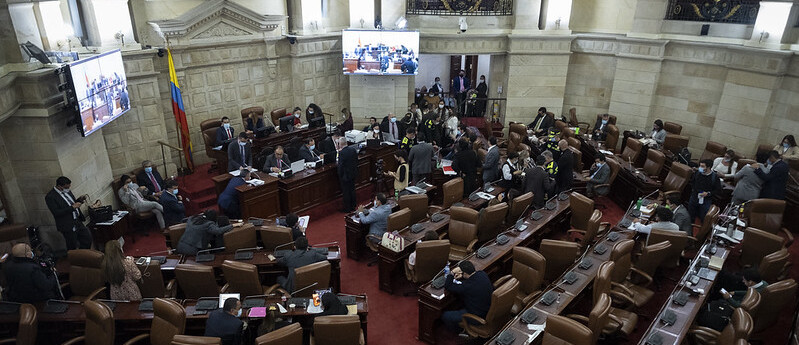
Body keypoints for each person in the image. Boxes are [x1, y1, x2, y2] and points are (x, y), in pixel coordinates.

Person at [441, 261, 493, 333]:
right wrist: (462, 276)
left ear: (465, 273)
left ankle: (460, 331)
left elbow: (448, 286)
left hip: (477, 316)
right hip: (487, 308)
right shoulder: (482, 274)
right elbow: (471, 281)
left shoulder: (467, 287)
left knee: (446, 315)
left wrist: (452, 273)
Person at [45, 176, 92, 250]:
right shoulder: (50, 197)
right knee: (72, 244)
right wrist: (72, 208)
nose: (68, 189)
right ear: (60, 186)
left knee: (87, 238)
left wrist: (79, 200)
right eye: (67, 187)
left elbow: (71, 203)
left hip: (77, 221)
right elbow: (56, 212)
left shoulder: (67, 191)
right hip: (67, 225)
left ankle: (83, 255)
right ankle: (75, 259)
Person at [337, 137, 359, 212]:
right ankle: (353, 205)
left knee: (346, 192)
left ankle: (347, 208)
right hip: (353, 173)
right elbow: (356, 161)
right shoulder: (353, 150)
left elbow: (340, 166)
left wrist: (340, 175)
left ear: (340, 144)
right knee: (352, 190)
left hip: (345, 176)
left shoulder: (341, 153)